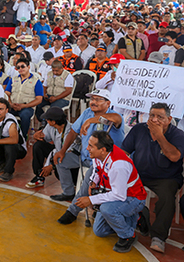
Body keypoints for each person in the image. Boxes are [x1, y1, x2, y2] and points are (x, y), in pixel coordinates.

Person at [121, 103, 184, 253]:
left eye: (160, 117)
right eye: (152, 116)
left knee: (167, 198)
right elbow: (124, 151)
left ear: (169, 119)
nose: (155, 120)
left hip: (166, 177)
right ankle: (134, 220)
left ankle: (158, 237)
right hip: (139, 174)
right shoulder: (139, 129)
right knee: (119, 187)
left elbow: (174, 157)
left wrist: (160, 135)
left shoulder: (178, 135)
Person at [55, 89, 124, 223]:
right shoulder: (86, 112)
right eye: (92, 99)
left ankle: (72, 211)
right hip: (84, 156)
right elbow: (73, 132)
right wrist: (62, 150)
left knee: (89, 178)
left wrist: (91, 121)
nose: (93, 102)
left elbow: (117, 119)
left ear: (108, 103)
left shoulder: (114, 115)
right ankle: (68, 191)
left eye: (98, 99)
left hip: (103, 162)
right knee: (60, 160)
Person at [75, 131, 146, 253]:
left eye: (91, 146)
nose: (87, 148)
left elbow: (119, 195)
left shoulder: (119, 165)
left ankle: (129, 235)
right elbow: (96, 170)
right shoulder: (99, 155)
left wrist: (91, 199)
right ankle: (133, 218)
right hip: (116, 194)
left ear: (102, 150)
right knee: (99, 231)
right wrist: (93, 183)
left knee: (107, 210)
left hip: (133, 197)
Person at [26, 107, 77, 188]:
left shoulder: (71, 132)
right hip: (57, 152)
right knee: (38, 146)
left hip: (70, 157)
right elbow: (44, 138)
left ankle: (73, 184)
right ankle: (39, 177)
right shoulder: (50, 126)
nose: (46, 121)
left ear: (53, 122)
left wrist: (51, 166)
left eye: (48, 119)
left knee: (58, 170)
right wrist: (37, 136)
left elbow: (68, 154)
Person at [4, 58, 43, 139]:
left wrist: (24, 106)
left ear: (28, 67)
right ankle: (4, 134)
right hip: (12, 105)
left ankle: (22, 136)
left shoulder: (36, 81)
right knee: (2, 112)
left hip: (27, 107)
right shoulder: (13, 79)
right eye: (18, 67)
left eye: (23, 66)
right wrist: (10, 104)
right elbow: (6, 94)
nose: (20, 69)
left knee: (25, 115)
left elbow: (39, 99)